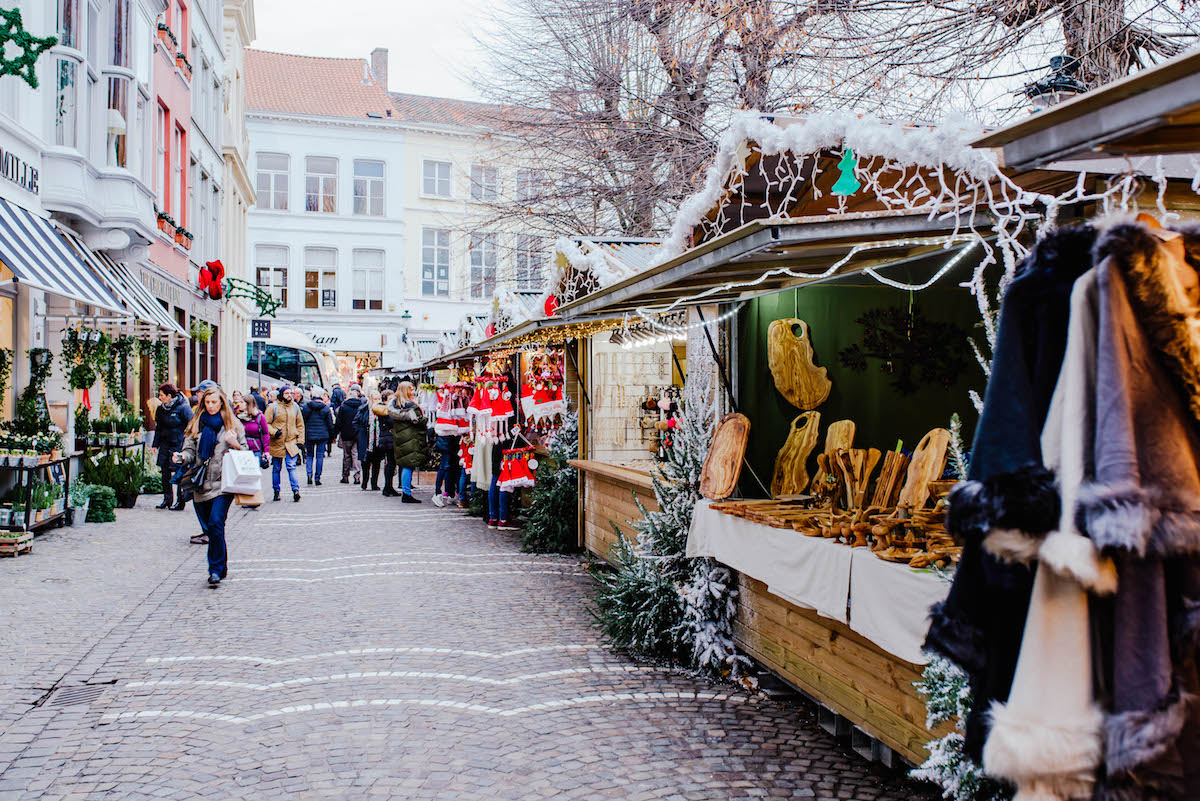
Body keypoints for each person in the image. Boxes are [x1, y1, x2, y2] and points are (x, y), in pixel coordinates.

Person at [174, 386, 248, 586]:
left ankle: (214, 569)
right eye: (207, 402)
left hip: (224, 483)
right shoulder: (196, 423)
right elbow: (189, 450)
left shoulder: (233, 424)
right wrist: (182, 457)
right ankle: (221, 566)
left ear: (222, 402)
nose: (211, 406)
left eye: (214, 402)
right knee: (212, 528)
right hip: (200, 483)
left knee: (216, 523)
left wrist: (234, 444)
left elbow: (246, 451)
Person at [380, 381, 427, 503]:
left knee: (406, 464)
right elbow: (420, 421)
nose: (413, 392)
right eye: (411, 390)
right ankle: (406, 493)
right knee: (408, 465)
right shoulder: (410, 406)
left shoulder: (396, 406)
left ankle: (406, 491)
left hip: (401, 438)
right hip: (411, 438)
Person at [151, 383, 192, 512]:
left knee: (179, 473)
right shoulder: (161, 410)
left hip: (178, 444)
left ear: (169, 396)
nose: (160, 397)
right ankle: (167, 499)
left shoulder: (183, 408)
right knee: (165, 473)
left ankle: (180, 501)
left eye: (162, 395)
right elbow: (158, 428)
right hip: (164, 444)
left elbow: (191, 426)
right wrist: (155, 445)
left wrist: (187, 444)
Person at [265, 385, 305, 502]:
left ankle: (295, 490)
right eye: (287, 393)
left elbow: (300, 425)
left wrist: (300, 441)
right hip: (277, 442)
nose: (289, 395)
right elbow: (265, 424)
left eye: (290, 393)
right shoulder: (273, 407)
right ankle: (276, 491)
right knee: (277, 467)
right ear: (281, 394)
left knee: (291, 466)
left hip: (291, 442)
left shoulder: (295, 407)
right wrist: (273, 432)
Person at [301, 385, 335, 485]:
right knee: (320, 456)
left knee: (310, 455)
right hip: (322, 435)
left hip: (309, 434)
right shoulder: (325, 408)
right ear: (321, 396)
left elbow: (303, 421)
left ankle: (309, 474)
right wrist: (332, 435)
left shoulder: (307, 407)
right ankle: (317, 477)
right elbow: (330, 423)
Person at [335, 384, 367, 484]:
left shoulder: (343, 407)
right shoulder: (361, 406)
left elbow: (339, 422)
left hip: (346, 434)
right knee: (356, 455)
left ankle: (345, 476)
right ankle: (357, 476)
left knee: (346, 456)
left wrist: (336, 433)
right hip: (357, 434)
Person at [236, 394, 270, 470]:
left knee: (254, 473)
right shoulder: (237, 417)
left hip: (255, 449)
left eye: (242, 402)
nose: (239, 404)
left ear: (248, 404)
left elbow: (265, 433)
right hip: (241, 449)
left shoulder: (259, 416)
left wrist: (266, 450)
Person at [432, 427, 461, 508]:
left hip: (451, 437)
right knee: (445, 466)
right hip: (447, 437)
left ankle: (450, 494)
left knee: (452, 467)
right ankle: (437, 493)